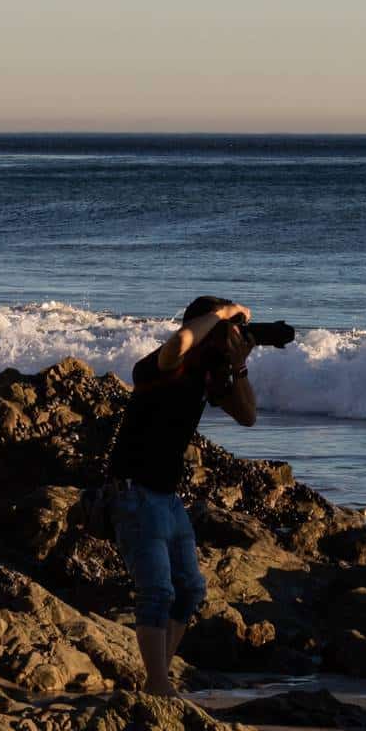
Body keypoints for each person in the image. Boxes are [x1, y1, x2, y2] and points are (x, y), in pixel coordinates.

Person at [105, 295, 258, 695]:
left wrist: (239, 365)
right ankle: (158, 686)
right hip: (134, 490)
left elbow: (248, 416)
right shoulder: (161, 364)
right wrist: (223, 314)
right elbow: (177, 345)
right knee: (157, 591)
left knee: (189, 590)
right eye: (223, 330)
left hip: (167, 496)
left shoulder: (209, 372)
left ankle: (158, 680)